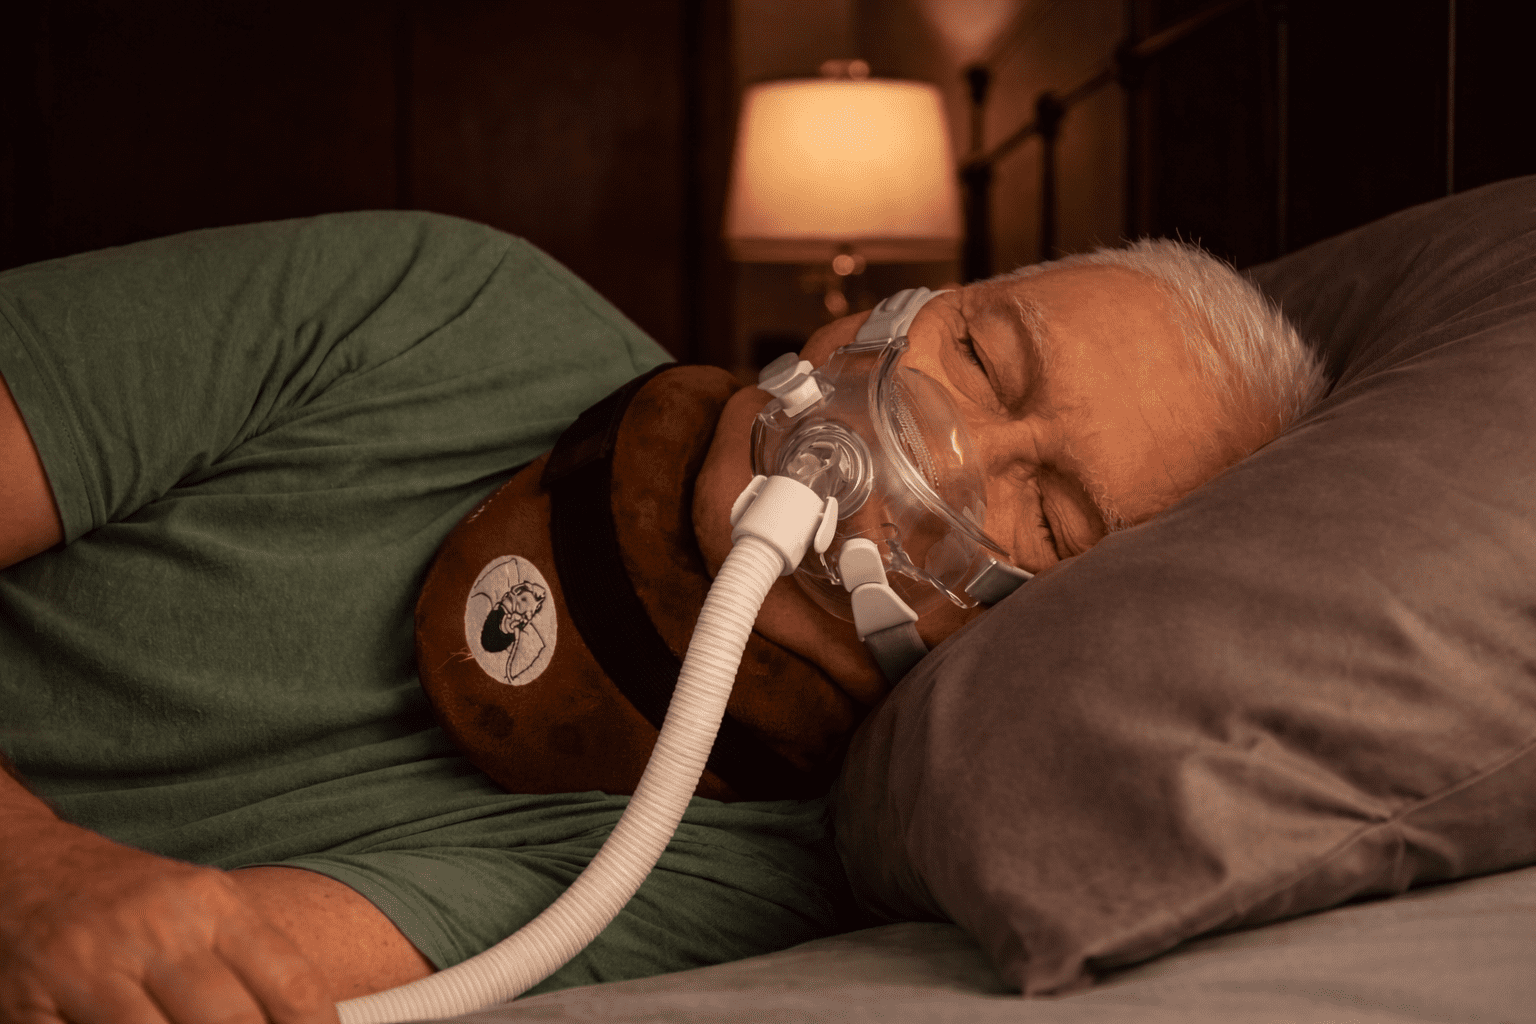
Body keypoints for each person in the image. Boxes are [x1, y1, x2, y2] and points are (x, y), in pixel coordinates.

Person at [0, 213, 1324, 1024]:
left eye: (1050, 521)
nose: (939, 451)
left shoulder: (718, 869)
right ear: (881, 312)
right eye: (978, 356)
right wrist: (30, 864)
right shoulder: (438, 309)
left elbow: (158, 989)